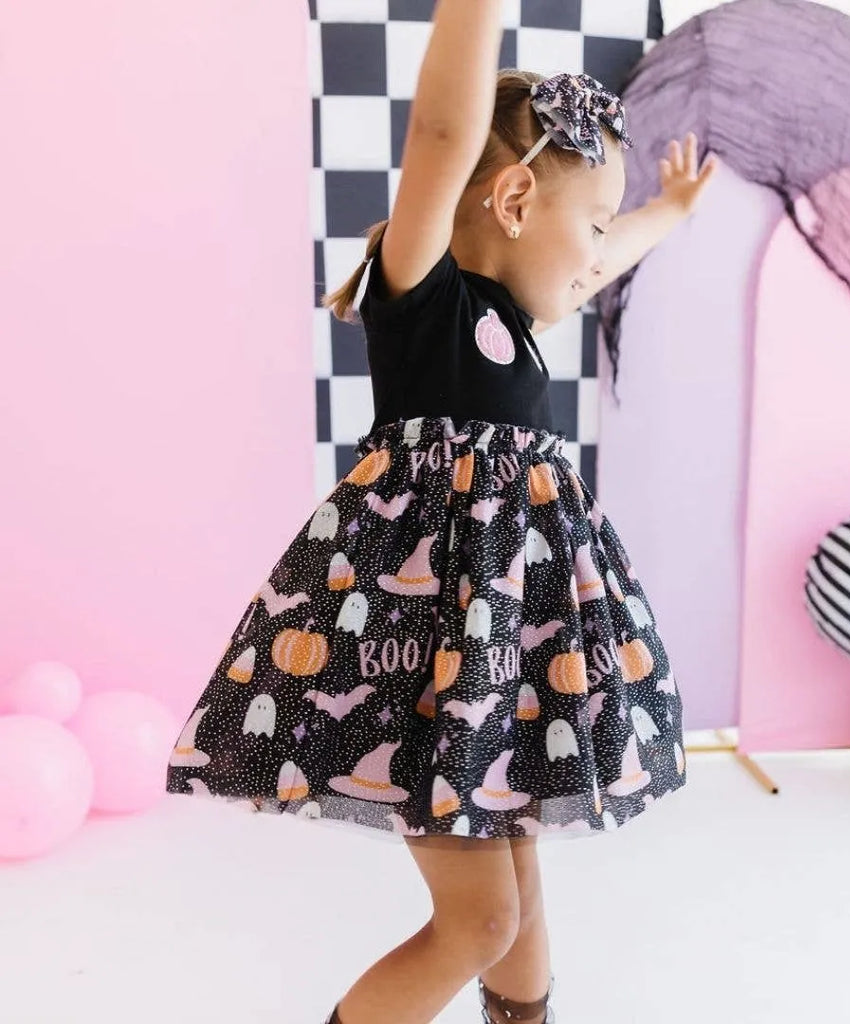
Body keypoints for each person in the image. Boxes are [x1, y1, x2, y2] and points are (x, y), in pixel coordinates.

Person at [166, 3, 716, 1022]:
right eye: (591, 223)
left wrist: (669, 211)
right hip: (423, 658)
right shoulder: (424, 298)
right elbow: (443, 133)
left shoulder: (517, 319)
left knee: (520, 889)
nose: (596, 255)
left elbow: (596, 262)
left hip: (500, 656)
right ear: (513, 198)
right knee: (482, 921)